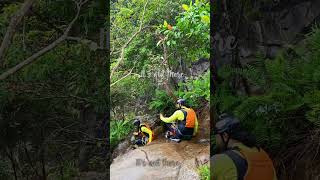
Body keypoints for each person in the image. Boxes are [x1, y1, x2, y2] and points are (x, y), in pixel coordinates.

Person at [211, 113, 277, 180]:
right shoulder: (263, 155)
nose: (216, 140)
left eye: (216, 135)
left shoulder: (220, 160)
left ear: (225, 136)